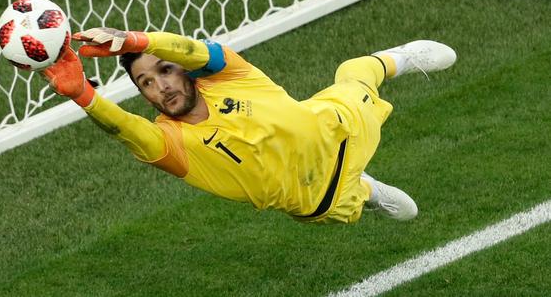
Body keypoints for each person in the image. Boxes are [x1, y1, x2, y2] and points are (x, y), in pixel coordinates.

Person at [42, 28, 456, 224]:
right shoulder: (172, 142)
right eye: (145, 83)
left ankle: (399, 56)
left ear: (184, 68)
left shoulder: (228, 74)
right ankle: (367, 189)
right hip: (319, 201)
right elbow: (126, 129)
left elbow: (196, 50)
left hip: (340, 128)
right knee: (352, 194)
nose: (160, 87)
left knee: (354, 72)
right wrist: (83, 93)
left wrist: (137, 43)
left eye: (165, 71)